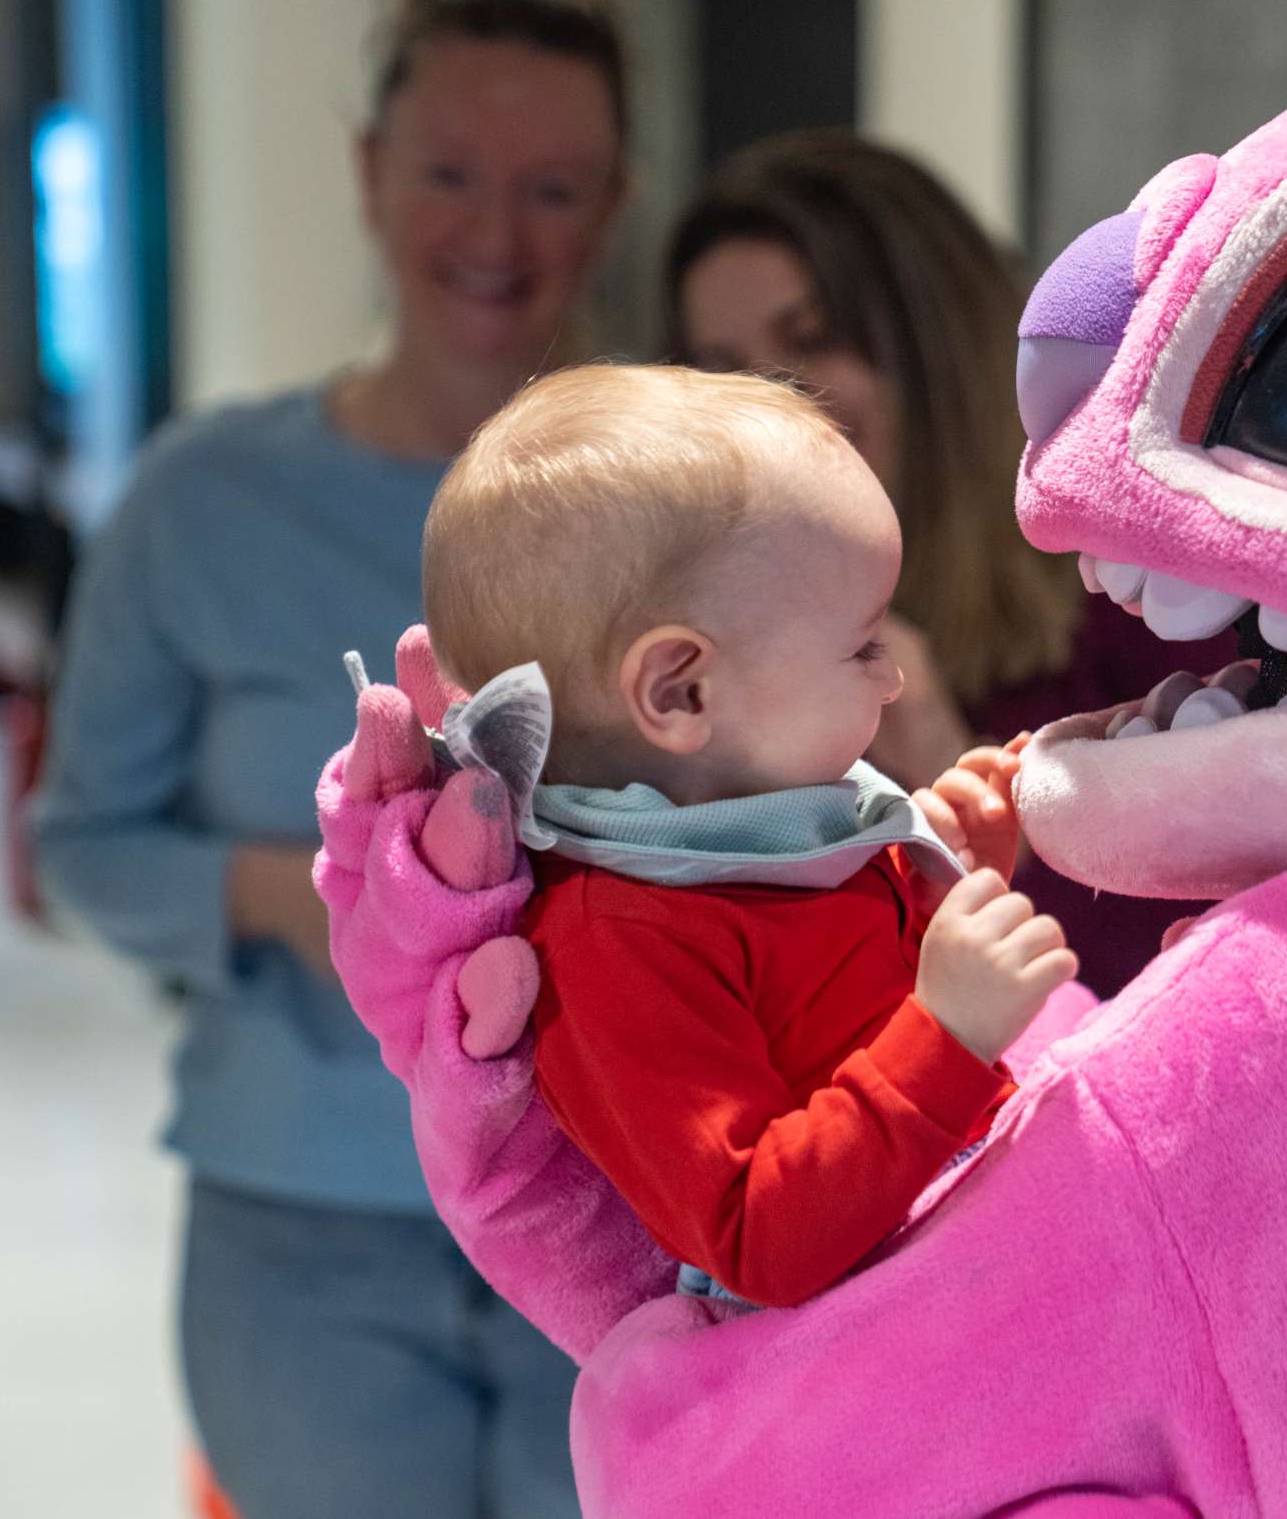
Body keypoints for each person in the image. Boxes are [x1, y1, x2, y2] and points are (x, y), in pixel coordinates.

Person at [29, 0, 631, 1519]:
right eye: (448, 174)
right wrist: (290, 901)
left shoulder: (684, 502)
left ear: (615, 204)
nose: (495, 234)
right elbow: (80, 843)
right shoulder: (202, 501)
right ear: (367, 174)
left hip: (628, 1204)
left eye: (552, 187)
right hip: (302, 1224)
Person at [415, 363, 1075, 1308]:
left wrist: (935, 884)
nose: (893, 680)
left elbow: (837, 1011)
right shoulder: (615, 946)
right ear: (681, 691)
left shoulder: (765, 821)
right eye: (863, 646)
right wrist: (947, 1032)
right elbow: (758, 1237)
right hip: (876, 1354)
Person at [663, 132, 1232, 992]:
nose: (768, 402)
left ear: (933, 351)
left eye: (810, 339)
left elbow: (1203, 965)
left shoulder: (1150, 594)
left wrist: (947, 767)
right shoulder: (714, 657)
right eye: (721, 373)